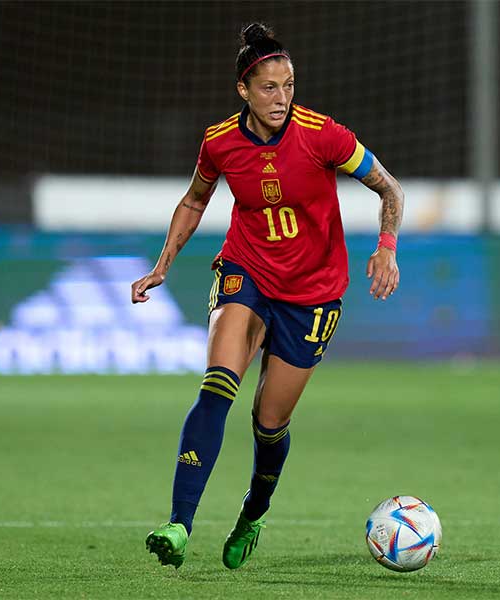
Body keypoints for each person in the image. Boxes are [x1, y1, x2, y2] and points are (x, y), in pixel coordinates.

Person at [131, 22, 404, 570]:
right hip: (247, 272)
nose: (282, 98)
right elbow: (194, 201)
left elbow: (389, 187)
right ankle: (179, 524)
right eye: (269, 88)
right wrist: (163, 264)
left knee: (268, 421)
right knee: (217, 387)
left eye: (289, 85)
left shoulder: (324, 134)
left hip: (314, 294)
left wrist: (387, 247)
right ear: (243, 90)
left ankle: (253, 511)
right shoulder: (219, 142)